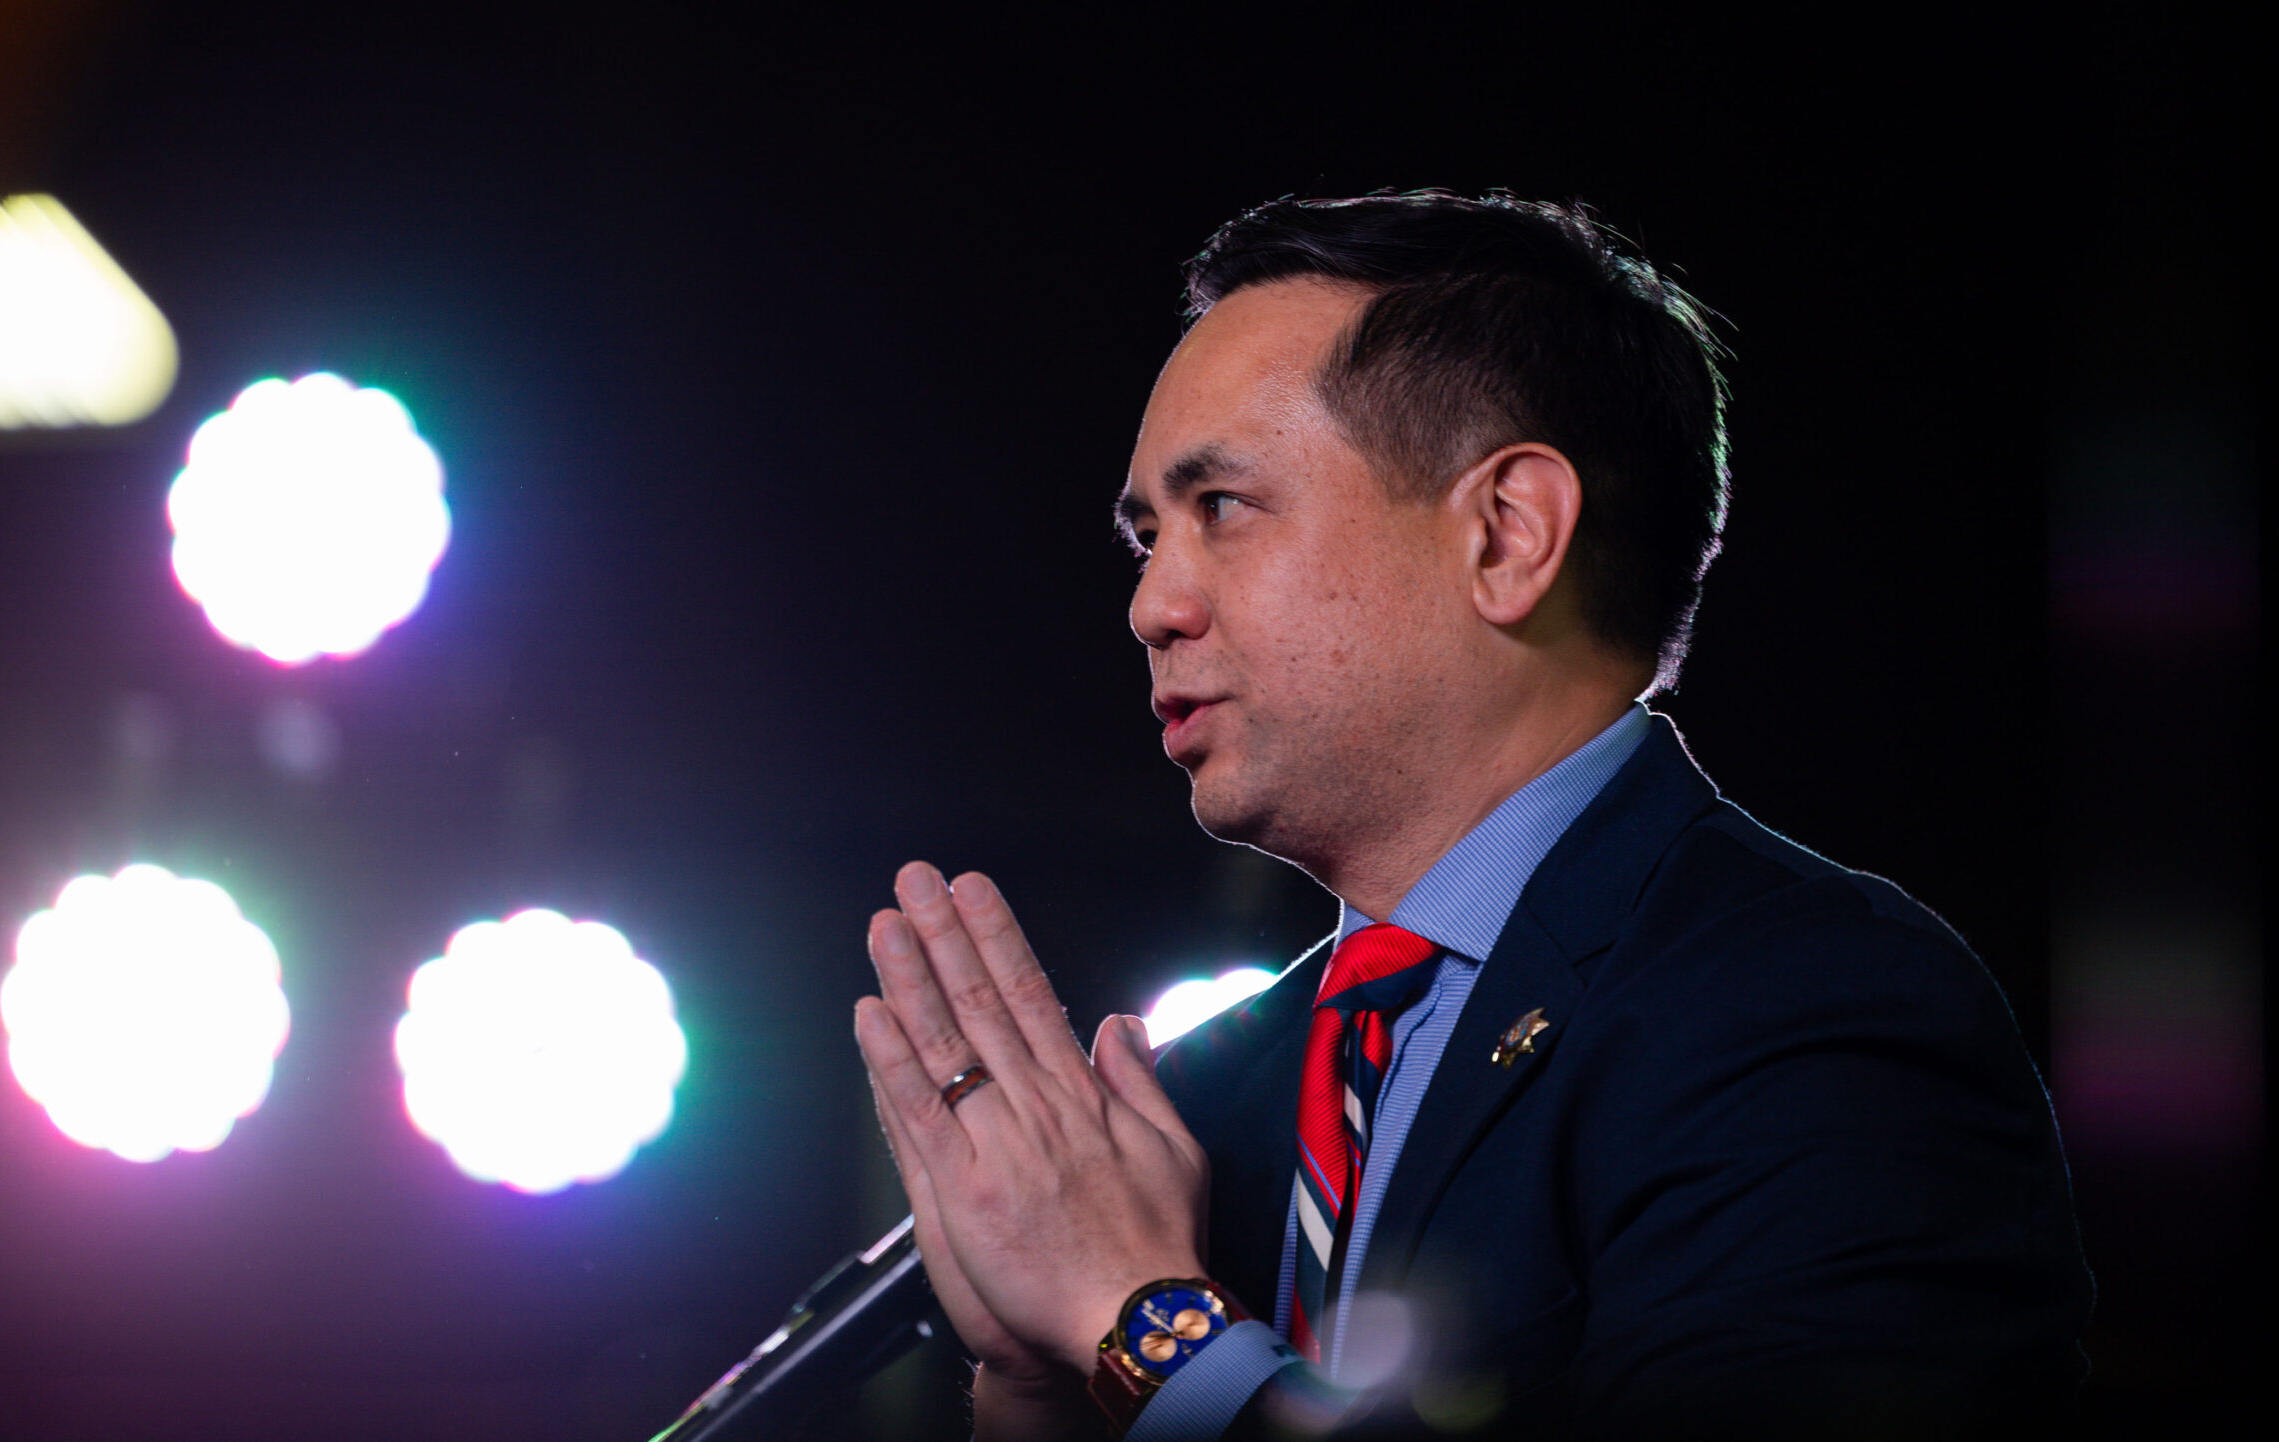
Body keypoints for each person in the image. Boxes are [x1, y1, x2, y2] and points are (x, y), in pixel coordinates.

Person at [850, 191, 2089, 1440]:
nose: (1152, 604)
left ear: (1506, 533)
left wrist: (1147, 1321)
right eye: (1144, 538)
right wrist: (1040, 1383)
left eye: (1220, 506)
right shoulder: (1206, 1107)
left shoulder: (1819, 1008)